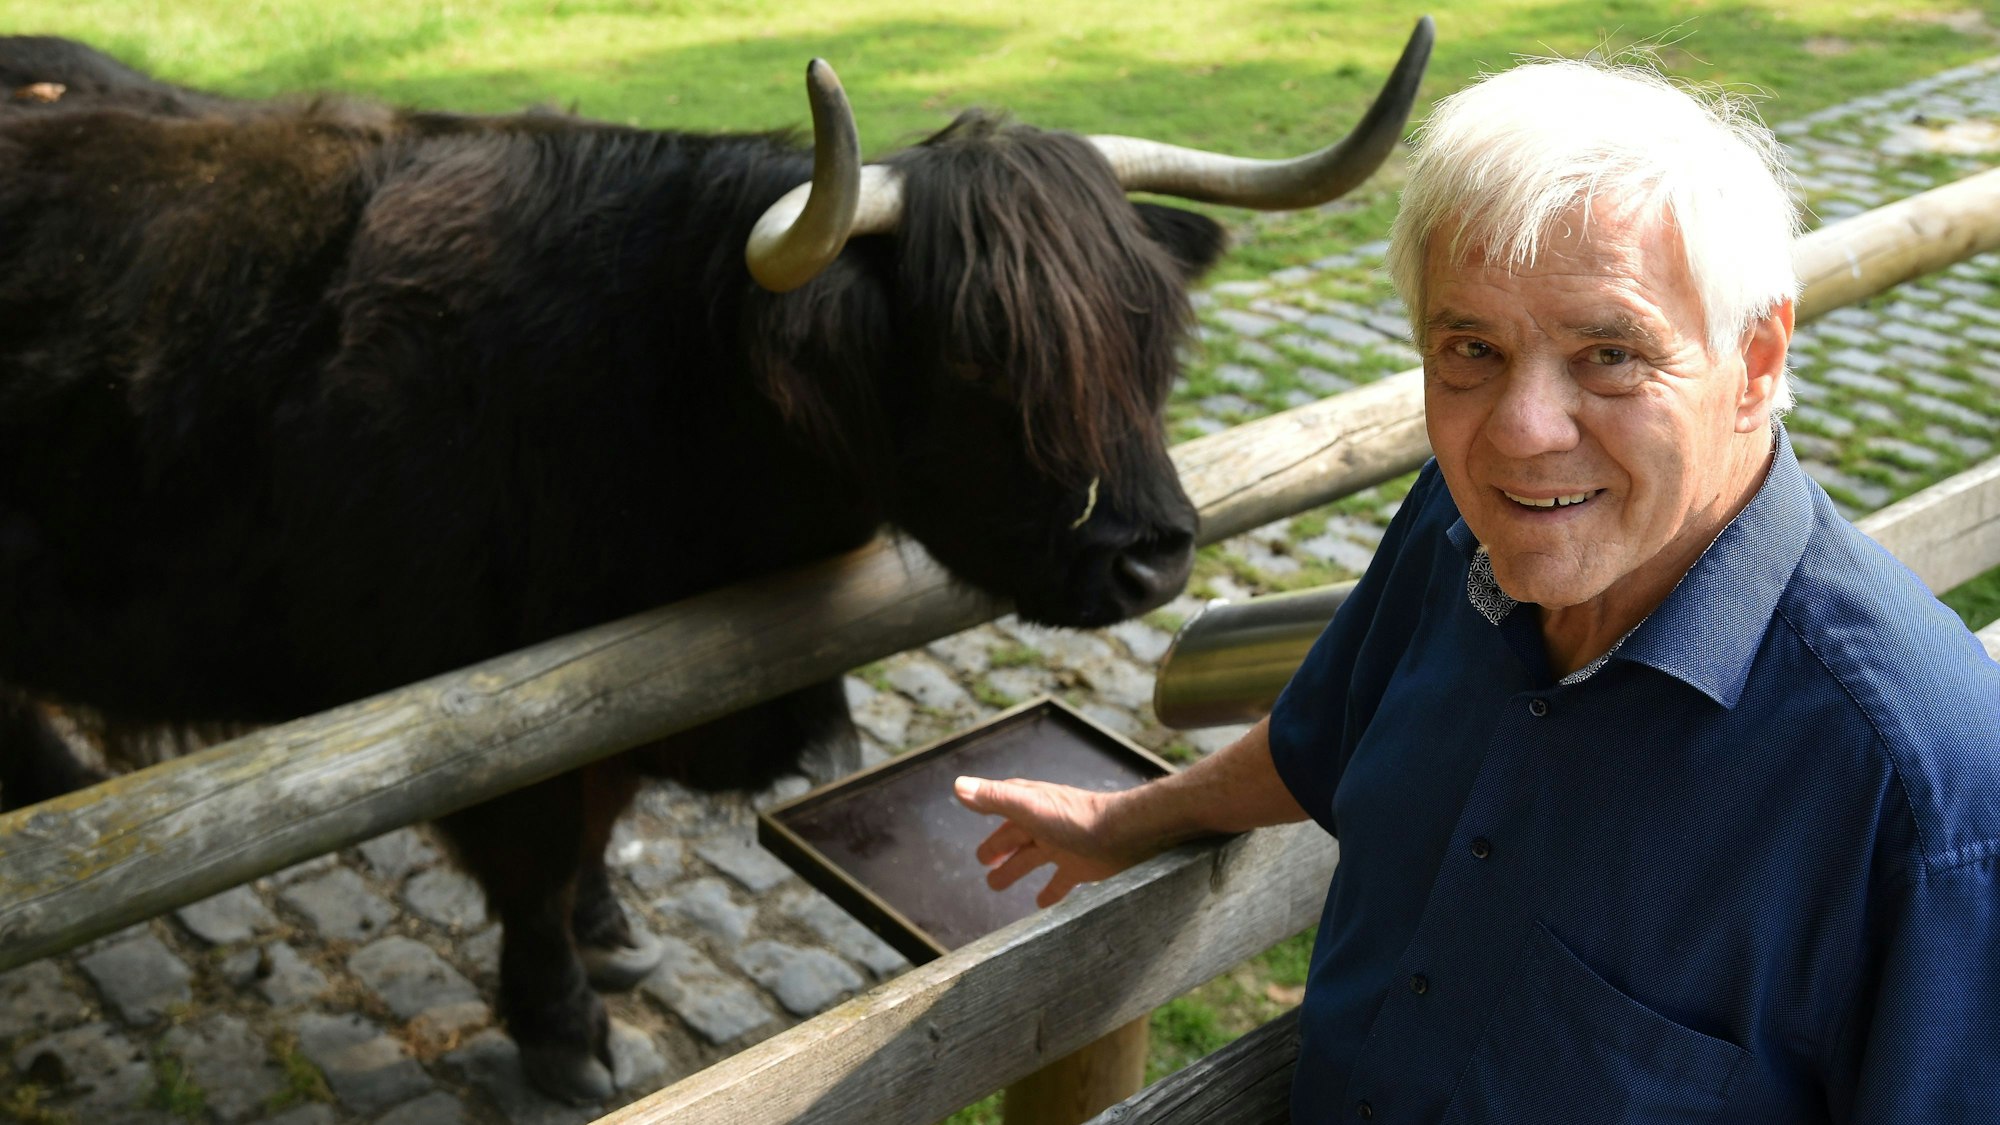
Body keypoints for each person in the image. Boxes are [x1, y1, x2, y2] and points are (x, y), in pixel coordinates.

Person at [954, 58, 2000, 1122]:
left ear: (1757, 358)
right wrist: (1125, 819)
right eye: (1470, 348)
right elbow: (1322, 734)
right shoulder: (1456, 527)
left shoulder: (1927, 796)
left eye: (1607, 354)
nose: (1518, 433)